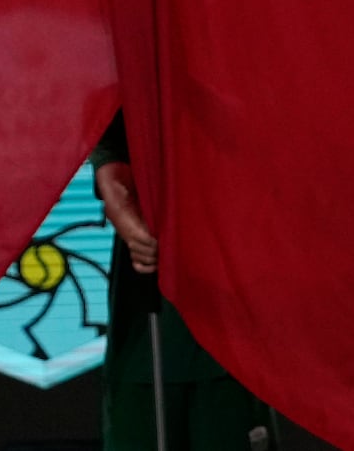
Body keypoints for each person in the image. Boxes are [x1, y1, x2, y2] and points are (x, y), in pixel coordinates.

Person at [91, 113, 277, 450]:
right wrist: (120, 203)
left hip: (232, 327)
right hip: (147, 323)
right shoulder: (133, 72)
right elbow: (109, 140)